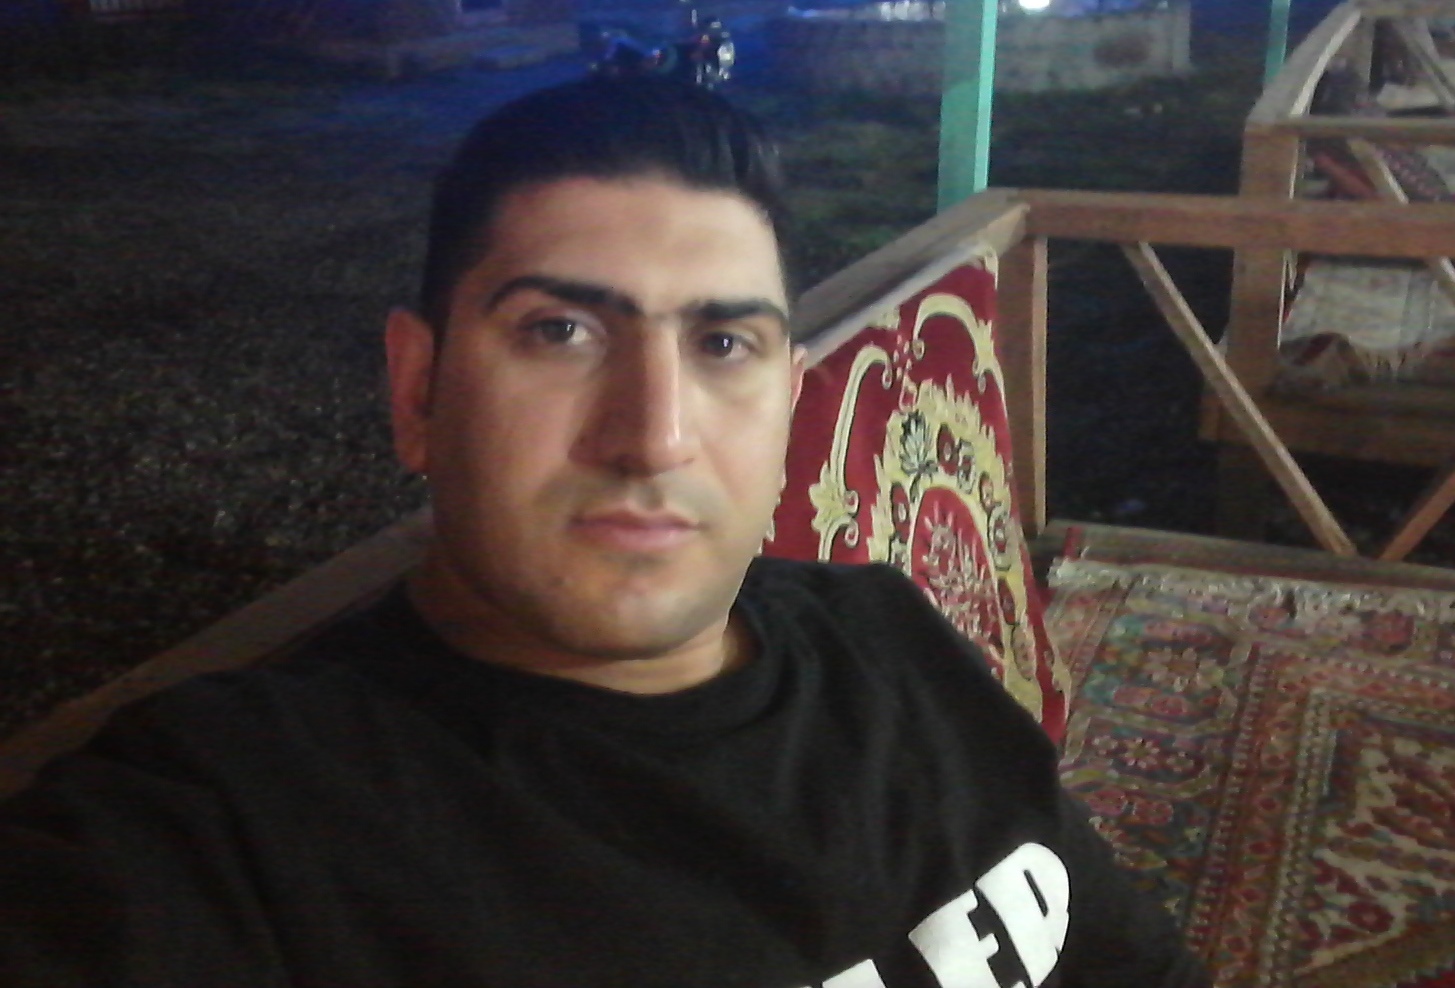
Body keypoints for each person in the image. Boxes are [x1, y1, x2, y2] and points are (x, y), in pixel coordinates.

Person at [0, 77, 1209, 987]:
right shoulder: (241, 829)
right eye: (560, 333)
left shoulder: (887, 634)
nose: (653, 435)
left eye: (722, 344)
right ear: (418, 391)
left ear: (786, 402)